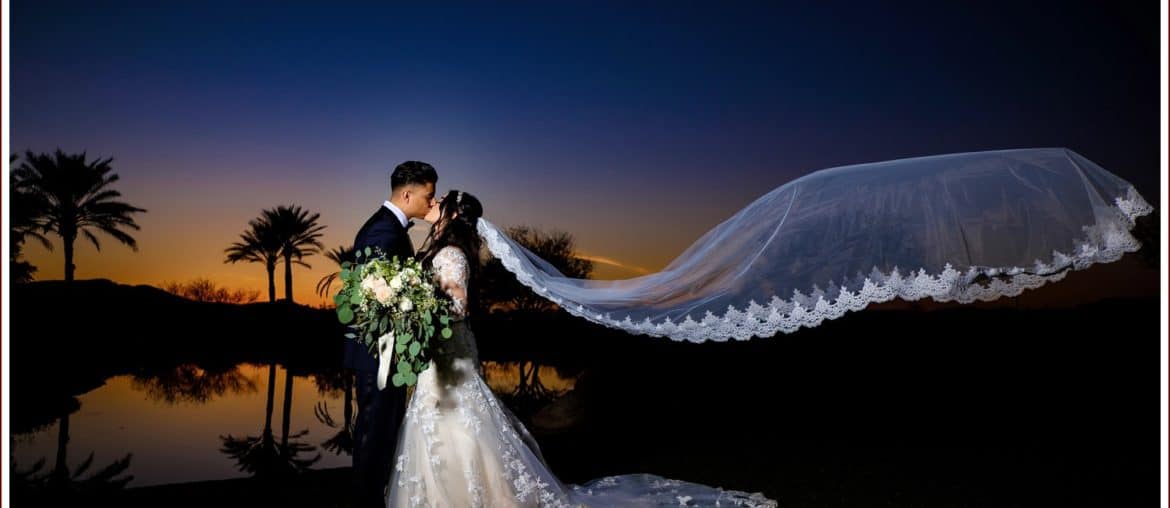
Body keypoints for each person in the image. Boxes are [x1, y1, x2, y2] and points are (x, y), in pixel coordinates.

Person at [388, 189, 778, 507]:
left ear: (454, 217)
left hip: (448, 354)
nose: (433, 204)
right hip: (440, 357)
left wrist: (415, 308)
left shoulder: (453, 254)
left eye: (440, 203)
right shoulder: (437, 249)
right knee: (445, 426)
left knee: (456, 426)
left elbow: (457, 304)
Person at [347, 161, 437, 508]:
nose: (431, 203)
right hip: (380, 353)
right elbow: (378, 299)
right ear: (407, 193)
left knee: (379, 433)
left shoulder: (388, 228)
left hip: (385, 353)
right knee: (374, 435)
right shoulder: (384, 232)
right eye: (428, 196)